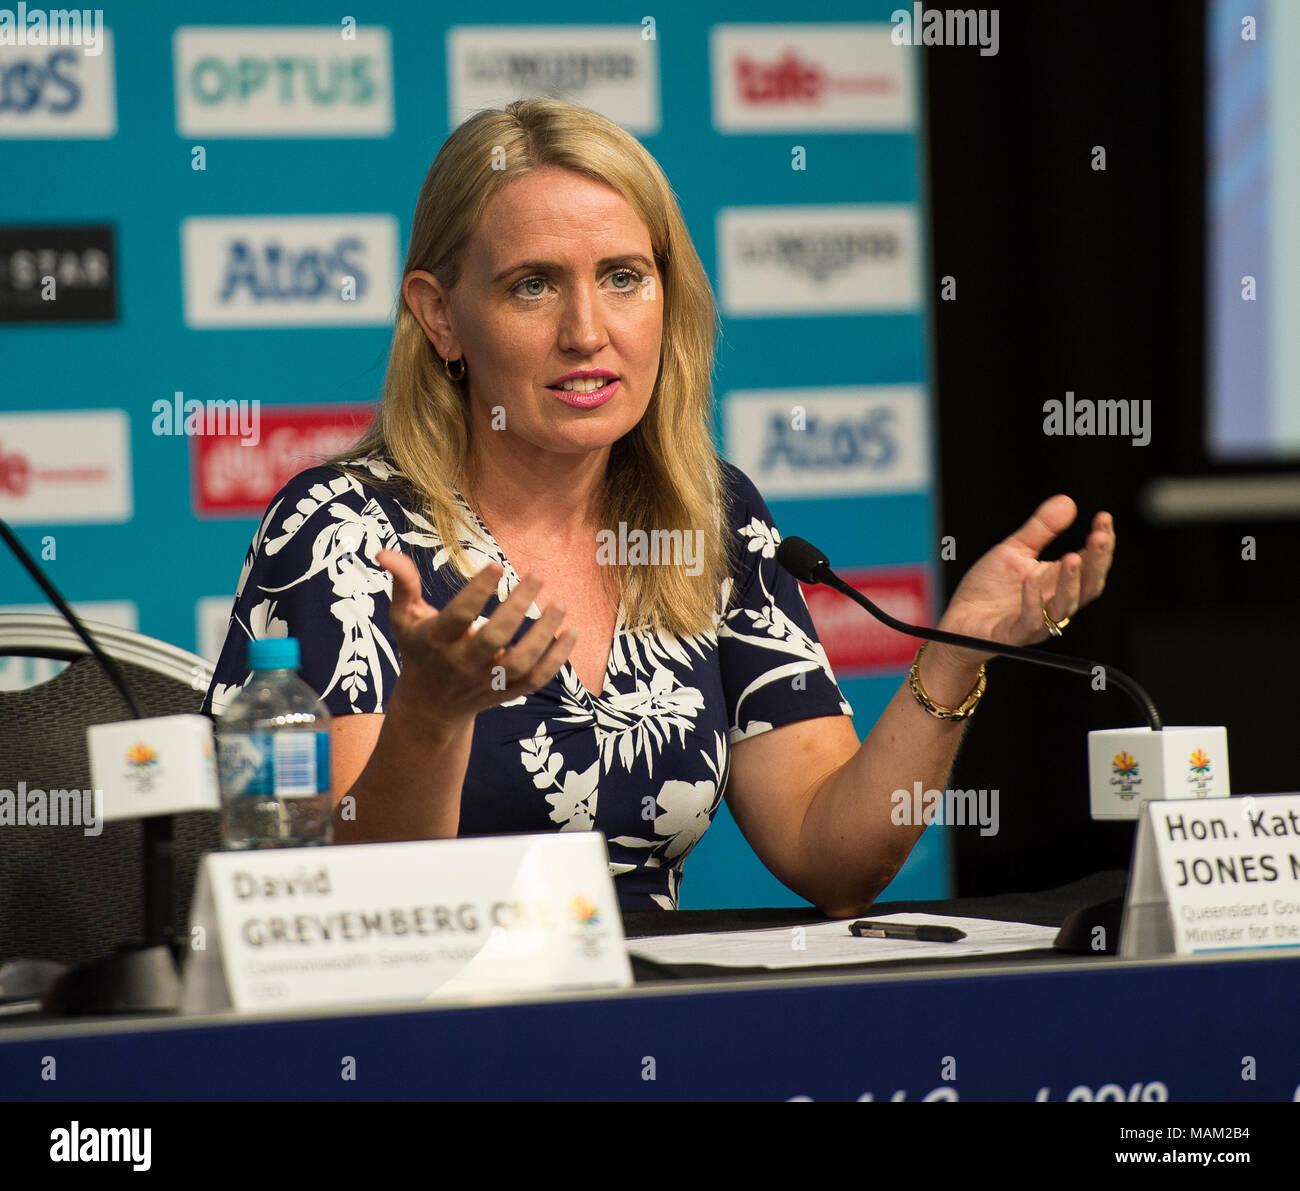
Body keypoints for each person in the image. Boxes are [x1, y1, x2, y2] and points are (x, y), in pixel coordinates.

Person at [201, 97, 1115, 915]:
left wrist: (957, 651)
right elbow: (330, 905)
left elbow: (830, 854)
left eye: (624, 277)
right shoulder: (340, 533)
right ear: (441, 317)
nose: (587, 331)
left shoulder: (708, 520)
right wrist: (434, 718)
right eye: (533, 284)